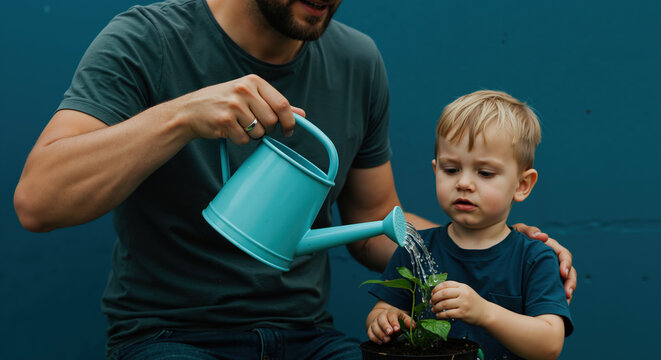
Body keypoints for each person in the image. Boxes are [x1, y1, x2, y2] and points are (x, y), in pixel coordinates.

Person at [13, 1, 575, 359]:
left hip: (308, 338)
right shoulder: (148, 39)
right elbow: (38, 202)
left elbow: (371, 224)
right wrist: (181, 115)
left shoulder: (356, 60)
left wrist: (499, 254)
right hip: (171, 337)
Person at [365, 90, 573, 359]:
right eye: (451, 169)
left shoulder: (534, 258)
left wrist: (484, 312)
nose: (463, 183)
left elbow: (549, 344)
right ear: (435, 169)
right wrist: (384, 320)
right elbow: (382, 310)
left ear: (522, 185)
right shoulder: (414, 246)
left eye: (485, 173)